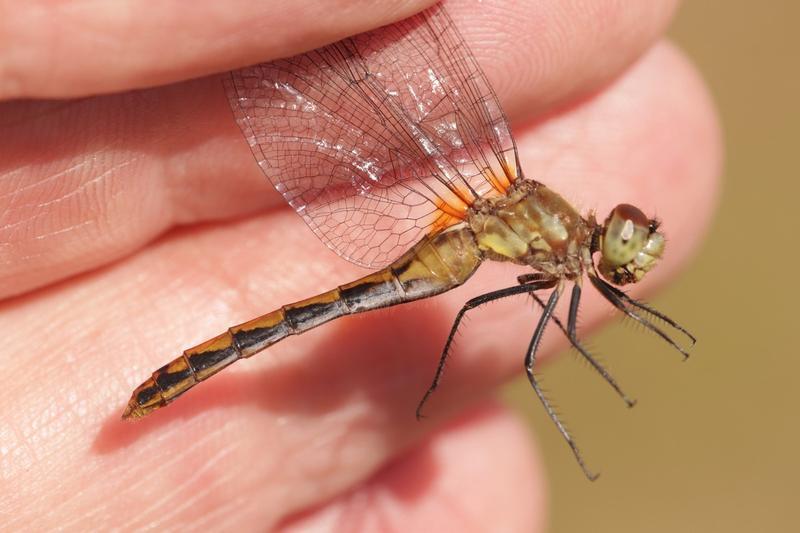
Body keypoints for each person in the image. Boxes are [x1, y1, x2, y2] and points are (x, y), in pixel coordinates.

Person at [0, 0, 720, 530]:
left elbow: (579, 301)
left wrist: (655, 322)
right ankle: (178, 378)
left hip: (460, 247)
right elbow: (536, 354)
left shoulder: (565, 247)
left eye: (632, 244)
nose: (630, 252)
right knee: (515, 349)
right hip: (451, 248)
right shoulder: (560, 240)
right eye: (631, 242)